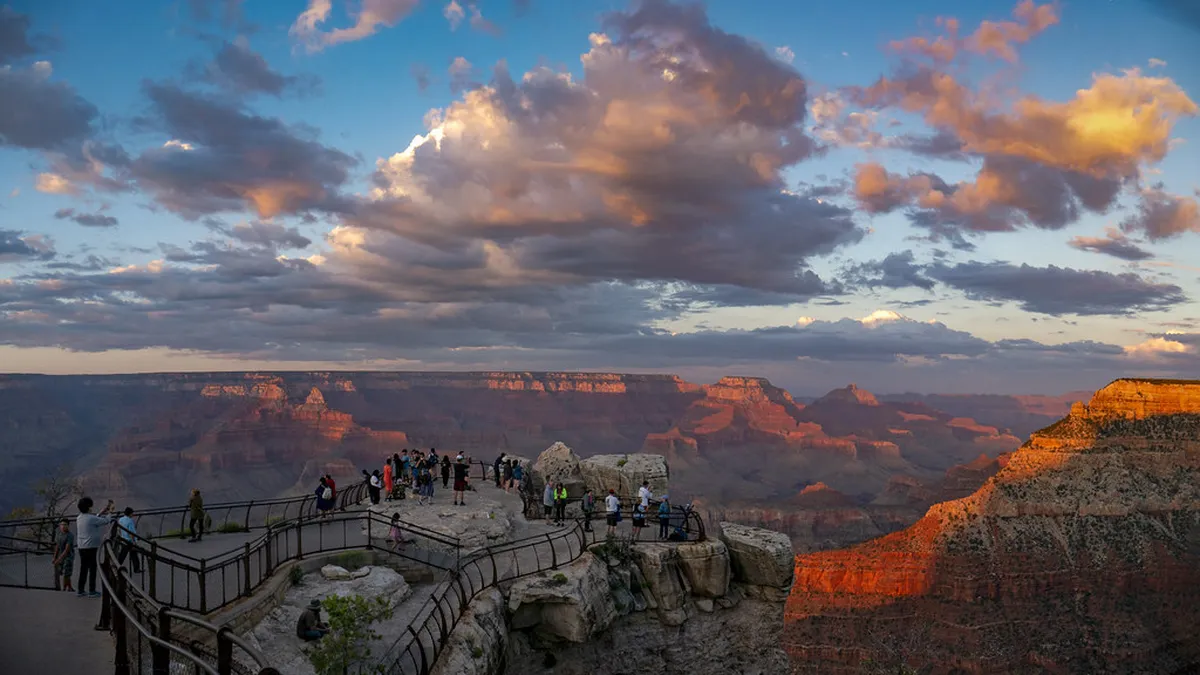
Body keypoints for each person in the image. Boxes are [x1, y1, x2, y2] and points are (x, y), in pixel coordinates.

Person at [75, 496, 115, 597]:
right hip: (91, 547)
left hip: (81, 547)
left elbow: (93, 519)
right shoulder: (91, 519)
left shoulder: (79, 517)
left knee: (83, 568)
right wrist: (110, 512)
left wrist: (101, 512)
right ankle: (92, 591)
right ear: (88, 507)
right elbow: (106, 521)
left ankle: (80, 590)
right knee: (93, 569)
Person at [52, 519, 74, 592]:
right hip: (61, 556)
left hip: (68, 557)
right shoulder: (59, 534)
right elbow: (57, 546)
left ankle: (64, 590)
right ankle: (70, 587)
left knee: (66, 573)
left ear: (68, 526)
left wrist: (58, 560)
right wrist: (54, 557)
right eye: (62, 524)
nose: (63, 526)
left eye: (65, 524)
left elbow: (66, 550)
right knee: (64, 572)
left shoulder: (70, 535)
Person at [116, 507, 141, 573]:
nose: (132, 515)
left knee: (124, 554)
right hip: (129, 541)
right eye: (132, 513)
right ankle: (136, 569)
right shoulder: (130, 521)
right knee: (132, 555)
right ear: (130, 513)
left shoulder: (121, 519)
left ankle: (117, 565)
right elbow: (131, 533)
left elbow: (119, 529)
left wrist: (121, 536)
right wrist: (134, 542)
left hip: (123, 539)